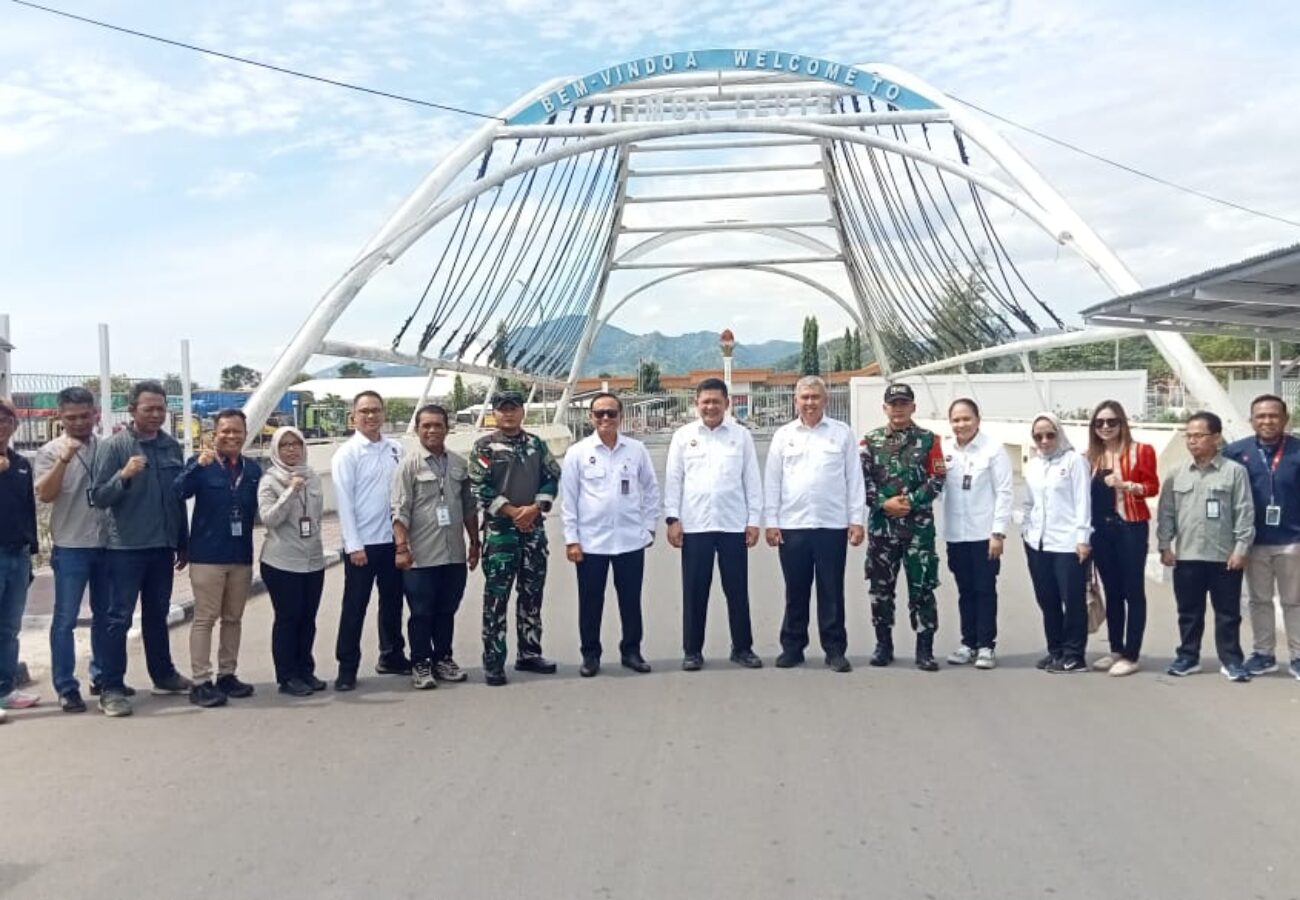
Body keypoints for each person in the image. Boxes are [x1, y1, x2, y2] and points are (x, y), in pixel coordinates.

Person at [91, 380, 192, 716]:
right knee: (117, 619)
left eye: (161, 409)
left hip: (162, 546)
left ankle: (163, 674)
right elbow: (98, 496)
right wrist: (123, 475)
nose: (156, 415)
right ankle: (111, 687)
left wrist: (182, 540)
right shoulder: (114, 446)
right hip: (125, 548)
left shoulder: (170, 447)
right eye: (148, 408)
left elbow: (177, 497)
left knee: (156, 616)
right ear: (132, 409)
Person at [763, 376, 864, 673]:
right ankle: (792, 647)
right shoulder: (783, 436)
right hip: (793, 525)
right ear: (795, 400)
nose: (810, 403)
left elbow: (854, 480)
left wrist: (856, 520)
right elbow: (773, 481)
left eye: (815, 397)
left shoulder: (842, 434)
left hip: (831, 525)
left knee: (832, 590)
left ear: (825, 400)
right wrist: (772, 522)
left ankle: (834, 650)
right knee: (795, 590)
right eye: (804, 397)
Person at [664, 378, 763, 671]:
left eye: (716, 401)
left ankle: (742, 648)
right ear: (696, 404)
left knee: (737, 590)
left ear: (727, 404)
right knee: (695, 591)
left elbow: (752, 480)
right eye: (705, 402)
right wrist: (672, 519)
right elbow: (673, 480)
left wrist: (754, 520)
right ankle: (692, 650)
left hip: (733, 524)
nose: (710, 407)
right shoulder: (683, 437)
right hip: (695, 526)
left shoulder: (740, 436)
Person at [561, 393, 658, 678]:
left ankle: (632, 651)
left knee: (631, 600)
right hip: (591, 542)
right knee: (590, 602)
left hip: (630, 540)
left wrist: (649, 526)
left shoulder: (636, 450)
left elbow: (651, 489)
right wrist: (572, 539)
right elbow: (569, 499)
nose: (605, 418)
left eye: (611, 413)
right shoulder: (578, 453)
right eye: (599, 413)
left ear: (621, 416)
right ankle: (590, 655)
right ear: (591, 417)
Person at [469, 390, 562, 686]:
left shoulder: (536, 444)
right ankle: (494, 662)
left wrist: (535, 508)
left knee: (532, 595)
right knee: (496, 599)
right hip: (500, 534)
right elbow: (478, 485)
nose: (508, 414)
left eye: (513, 408)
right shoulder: (484, 447)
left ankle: (529, 653)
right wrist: (512, 512)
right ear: (494, 413)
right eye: (502, 409)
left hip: (533, 531)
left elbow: (552, 476)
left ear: (523, 412)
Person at [1158, 411, 1255, 681]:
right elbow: (1167, 512)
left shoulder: (1234, 472)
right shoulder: (1177, 474)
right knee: (1189, 612)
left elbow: (1244, 512)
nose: (1192, 441)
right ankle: (1188, 657)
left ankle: (1232, 660)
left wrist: (1240, 549)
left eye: (1198, 436)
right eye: (1188, 436)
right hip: (1187, 556)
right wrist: (1165, 545)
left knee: (1228, 613)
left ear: (1216, 437)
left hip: (1225, 557)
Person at [176, 409, 262, 708]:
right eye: (225, 431)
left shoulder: (252, 470)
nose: (231, 436)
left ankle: (228, 674)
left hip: (240, 555)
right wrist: (196, 468)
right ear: (215, 434)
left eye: (237, 431)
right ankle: (201, 681)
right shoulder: (203, 465)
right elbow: (178, 491)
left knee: (233, 618)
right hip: (207, 555)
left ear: (245, 433)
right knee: (205, 619)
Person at [393, 404, 480, 689]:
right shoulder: (409, 465)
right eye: (425, 426)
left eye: (437, 425)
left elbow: (469, 508)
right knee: (421, 611)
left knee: (447, 609)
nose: (431, 430)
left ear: (447, 428)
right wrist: (401, 548)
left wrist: (474, 543)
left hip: (453, 552)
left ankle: (443, 658)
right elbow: (399, 510)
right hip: (421, 555)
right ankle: (420, 663)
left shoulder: (458, 464)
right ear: (417, 429)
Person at [860, 383, 946, 671]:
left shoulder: (929, 440)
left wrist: (908, 501)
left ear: (913, 407)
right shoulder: (869, 441)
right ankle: (883, 645)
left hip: (918, 529)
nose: (898, 408)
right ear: (885, 408)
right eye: (893, 403)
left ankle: (925, 649)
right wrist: (884, 504)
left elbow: (937, 479)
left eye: (903, 403)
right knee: (880, 589)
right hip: (882, 529)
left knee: (922, 588)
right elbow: (862, 481)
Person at [34, 387, 108, 712]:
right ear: (60, 417)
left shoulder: (106, 448)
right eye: (71, 417)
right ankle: (65, 686)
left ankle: (102, 675)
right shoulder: (50, 451)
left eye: (85, 415)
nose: (79, 422)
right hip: (71, 546)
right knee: (65, 620)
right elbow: (46, 494)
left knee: (105, 617)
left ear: (96, 414)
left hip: (106, 546)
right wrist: (65, 458)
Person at [332, 390, 407, 691]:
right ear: (354, 417)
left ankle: (392, 655)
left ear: (383, 414)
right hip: (363, 545)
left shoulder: (396, 449)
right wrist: (354, 545)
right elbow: (343, 502)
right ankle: (346, 667)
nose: (371, 416)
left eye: (376, 410)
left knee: (392, 603)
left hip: (392, 541)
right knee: (355, 607)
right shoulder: (346, 454)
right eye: (364, 411)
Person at [1224, 395, 1300, 678]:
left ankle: (1297, 655)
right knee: (1259, 601)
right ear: (1251, 419)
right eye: (1261, 416)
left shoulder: (1297, 450)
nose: (1267, 421)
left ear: (1285, 418)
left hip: (1293, 540)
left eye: (1273, 416)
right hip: (1253, 542)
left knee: (1294, 601)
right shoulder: (1235, 452)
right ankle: (1264, 653)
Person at [1086, 400, 1159, 677]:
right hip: (1101, 531)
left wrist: (1126, 485)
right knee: (1112, 591)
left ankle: (1131, 653)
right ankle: (1116, 648)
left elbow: (1152, 487)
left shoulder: (1141, 451)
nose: (1106, 427)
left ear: (1122, 423)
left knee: (1133, 591)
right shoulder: (1091, 457)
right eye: (1100, 422)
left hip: (1130, 527)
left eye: (1112, 422)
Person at [940, 398, 1013, 670]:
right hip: (956, 534)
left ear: (977, 420)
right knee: (964, 590)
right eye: (956, 420)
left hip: (984, 534)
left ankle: (986, 646)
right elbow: (938, 486)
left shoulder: (993, 450)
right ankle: (967, 643)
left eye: (966, 418)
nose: (961, 424)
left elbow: (1004, 492)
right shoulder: (944, 449)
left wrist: (998, 533)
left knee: (984, 589)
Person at [258, 426, 328, 697]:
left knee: (308, 619)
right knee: (288, 618)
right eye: (285, 445)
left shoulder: (313, 477)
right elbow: (269, 518)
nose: (291, 449)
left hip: (312, 559)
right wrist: (289, 491)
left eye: (296, 444)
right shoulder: (270, 480)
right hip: (281, 561)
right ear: (276, 449)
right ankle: (287, 676)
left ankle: (305, 670)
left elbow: (318, 516)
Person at [1021, 412, 1092, 674]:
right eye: (1038, 436)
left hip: (1067, 544)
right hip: (1037, 543)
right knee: (1047, 599)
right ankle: (1056, 650)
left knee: (1072, 600)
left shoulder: (1074, 462)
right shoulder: (1035, 465)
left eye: (1050, 434)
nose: (1044, 440)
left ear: (1059, 434)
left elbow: (1083, 501)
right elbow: (1028, 501)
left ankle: (1075, 654)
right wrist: (1027, 529)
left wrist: (1083, 539)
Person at [0, 397, 40, 717]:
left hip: (18, 555)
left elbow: (29, 510)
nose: (2, 424)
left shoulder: (22, 463)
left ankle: (4, 689)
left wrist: (32, 555)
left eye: (6, 419)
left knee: (9, 628)